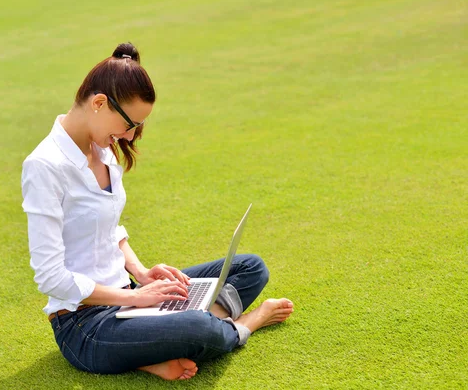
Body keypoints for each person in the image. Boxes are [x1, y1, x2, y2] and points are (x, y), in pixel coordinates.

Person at [21, 42, 294, 380]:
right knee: (198, 327)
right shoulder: (45, 166)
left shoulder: (101, 148)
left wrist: (143, 273)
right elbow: (50, 277)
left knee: (250, 267)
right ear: (99, 103)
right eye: (129, 124)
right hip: (85, 323)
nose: (130, 135)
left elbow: (109, 229)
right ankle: (239, 325)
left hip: (130, 296)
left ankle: (154, 344)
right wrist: (134, 300)